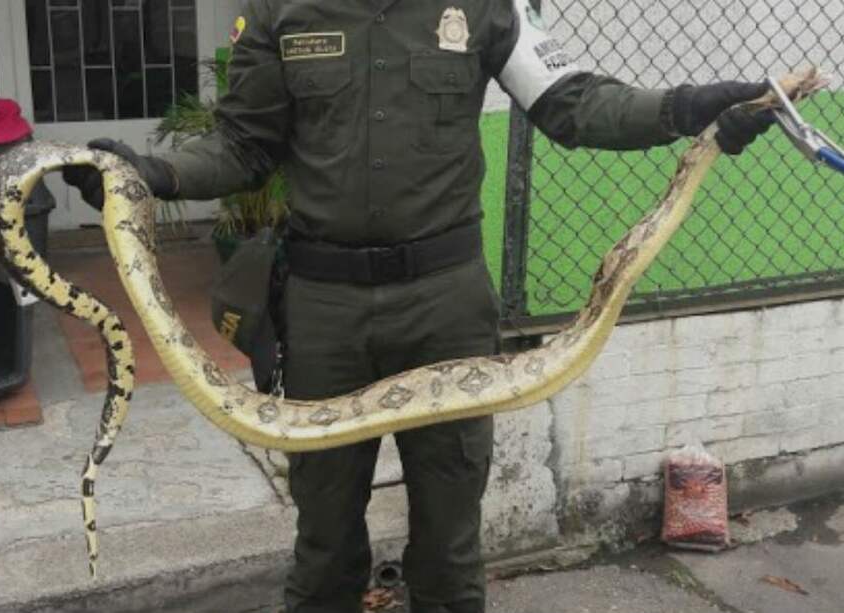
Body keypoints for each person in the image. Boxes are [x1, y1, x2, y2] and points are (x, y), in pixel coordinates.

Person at [63, 1, 774, 610]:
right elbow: (245, 145)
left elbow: (572, 101)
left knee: (450, 536)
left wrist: (685, 108)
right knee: (324, 539)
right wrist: (154, 175)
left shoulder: (485, 5)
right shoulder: (285, 10)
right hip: (324, 311)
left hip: (446, 309)